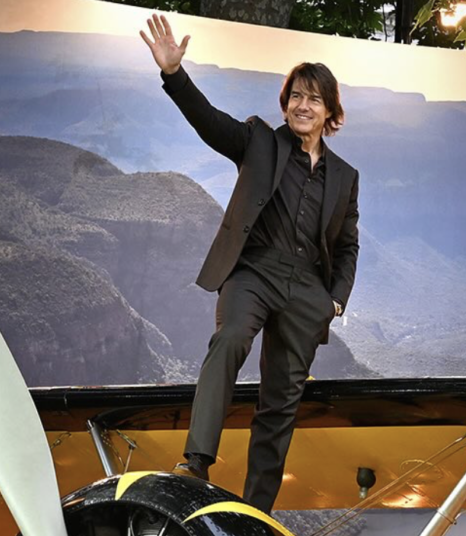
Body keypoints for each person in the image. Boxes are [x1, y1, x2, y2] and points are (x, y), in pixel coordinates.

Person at [140, 13, 360, 514]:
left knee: (280, 404)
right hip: (253, 272)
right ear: (286, 104)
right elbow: (210, 122)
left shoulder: (346, 176)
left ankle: (256, 511)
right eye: (296, 96)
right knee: (231, 338)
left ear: (331, 112)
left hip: (307, 290)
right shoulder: (261, 139)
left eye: (314, 99)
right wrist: (174, 75)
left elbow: (348, 245)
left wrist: (335, 301)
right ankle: (196, 461)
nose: (303, 106)